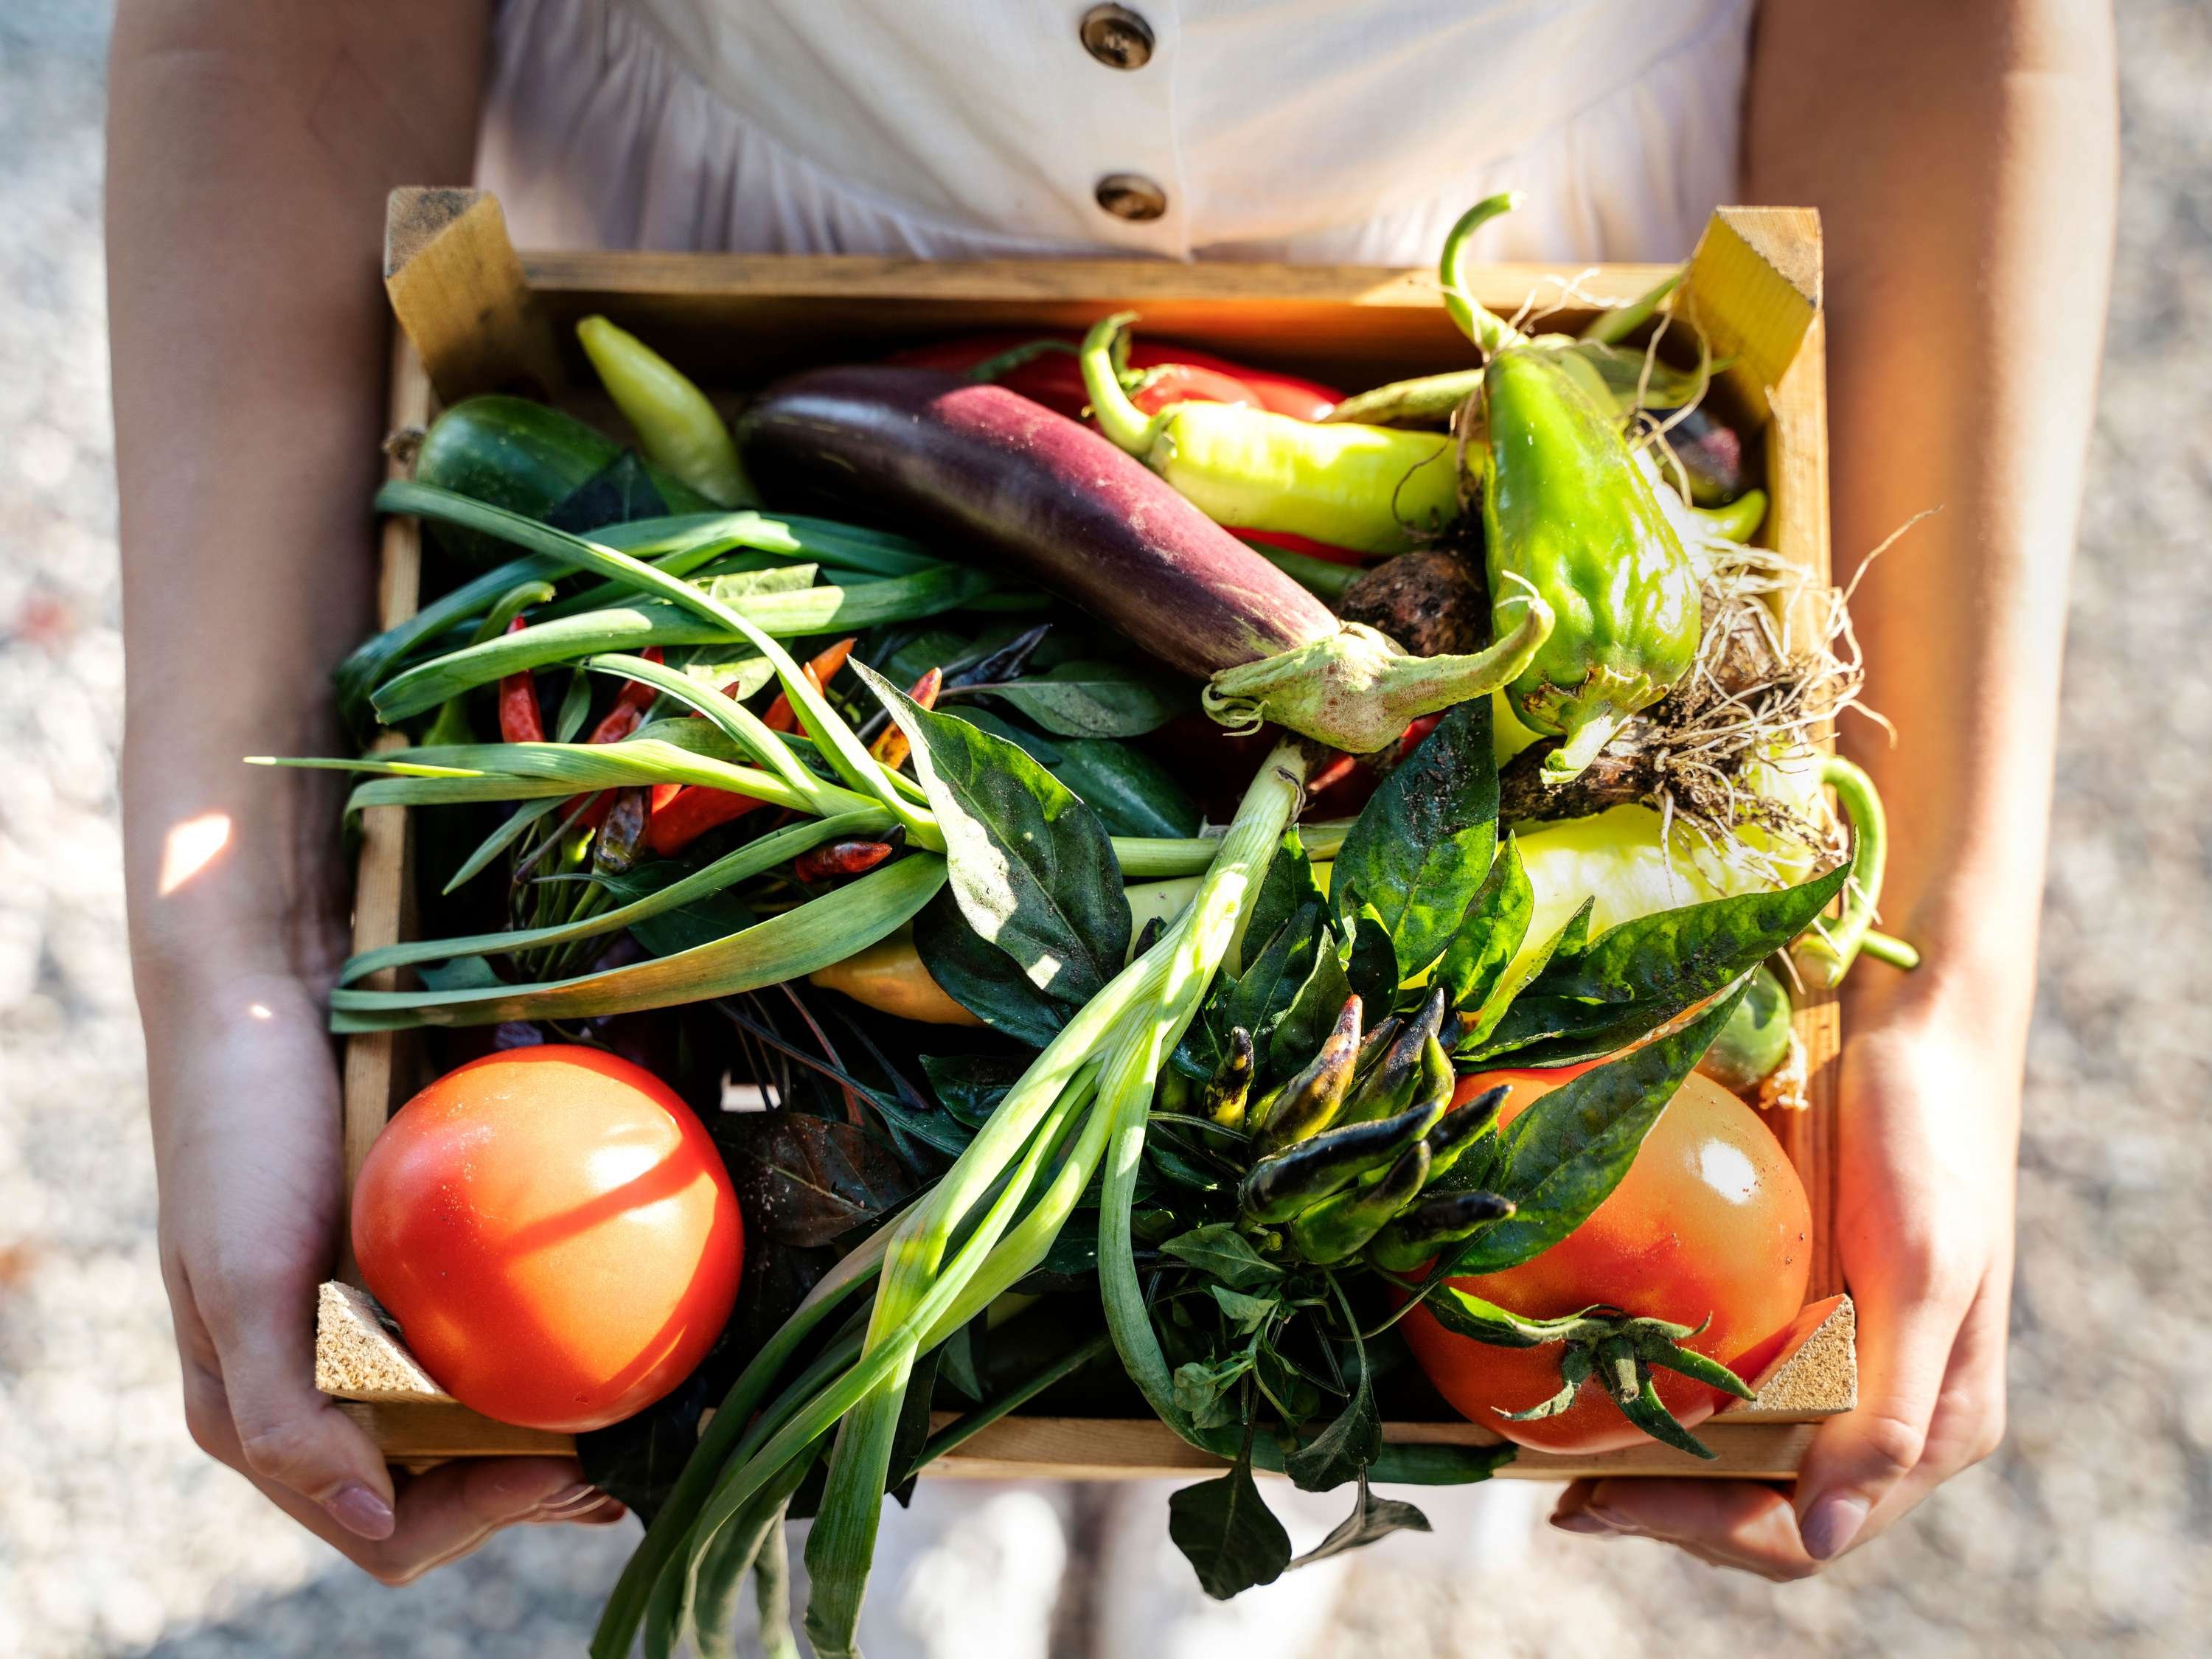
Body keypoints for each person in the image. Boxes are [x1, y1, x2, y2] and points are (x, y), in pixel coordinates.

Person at [110, 0, 2115, 1597]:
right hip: (787, 201)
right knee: (1001, 1318)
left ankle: (1184, 1543)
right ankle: (975, 1502)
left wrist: (1951, 994)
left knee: (1362, 1313)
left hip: (1525, 276)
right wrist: (237, 951)